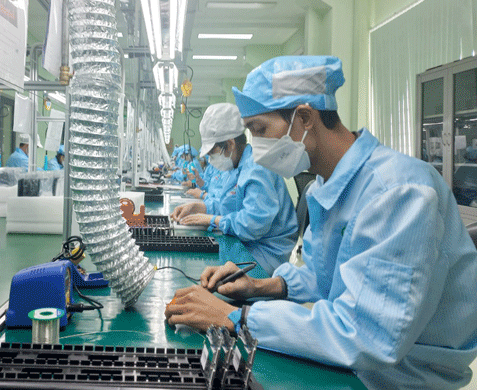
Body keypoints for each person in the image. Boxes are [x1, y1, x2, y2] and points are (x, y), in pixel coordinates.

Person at [164, 56, 477, 390]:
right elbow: (321, 276)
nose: (256, 147)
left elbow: (365, 334)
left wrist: (236, 318)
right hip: (354, 365)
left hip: (399, 378)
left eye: (260, 130)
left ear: (303, 118)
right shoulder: (328, 185)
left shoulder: (399, 193)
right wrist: (260, 287)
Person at [170, 103, 298, 278]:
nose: (210, 159)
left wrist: (213, 220)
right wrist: (202, 208)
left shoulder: (257, 169)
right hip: (248, 245)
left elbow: (252, 225)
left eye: (213, 152)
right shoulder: (236, 168)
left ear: (229, 145)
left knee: (210, 282)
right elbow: (228, 205)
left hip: (266, 255)